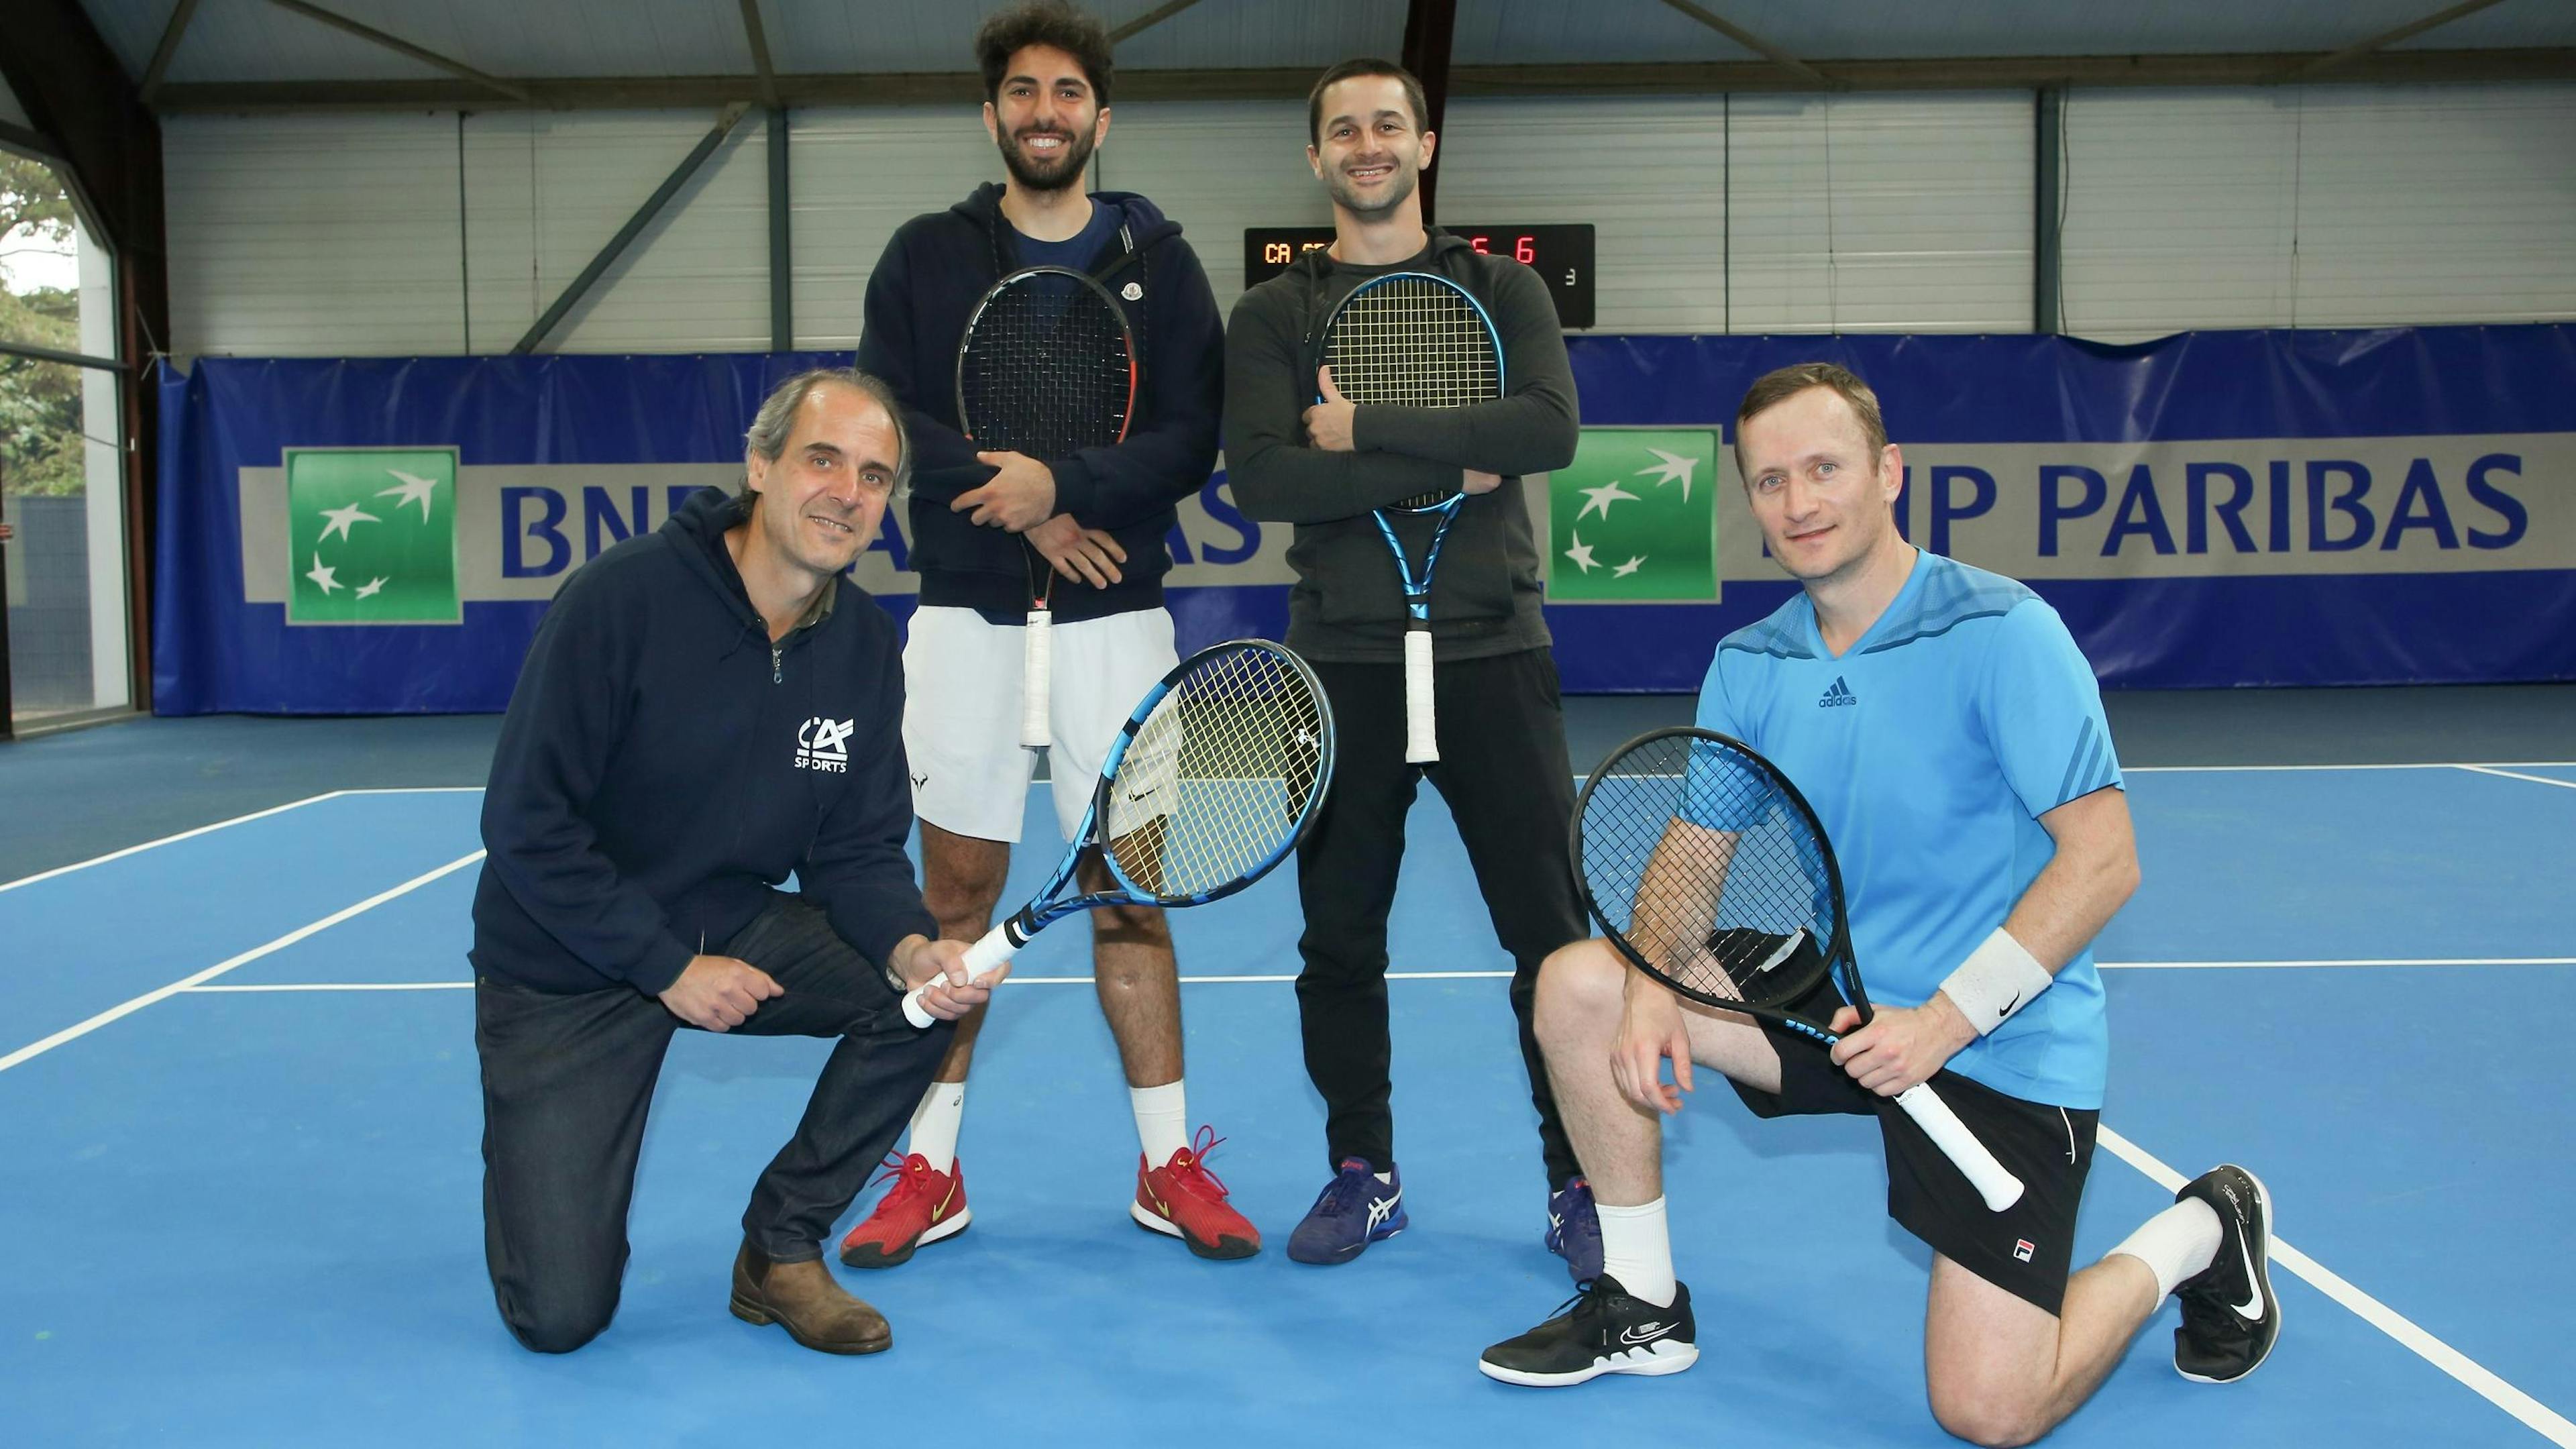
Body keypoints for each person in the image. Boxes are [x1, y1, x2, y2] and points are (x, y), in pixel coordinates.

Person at [1479, 364, 2279, 1445]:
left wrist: (1944, 1022)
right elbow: (1694, 845)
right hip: (1844, 1005)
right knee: (1583, 984)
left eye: (1824, 469)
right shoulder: (1753, 661)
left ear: (1889, 473)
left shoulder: (2003, 632)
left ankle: (2201, 1230)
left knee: (1990, 1409)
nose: (1799, 502)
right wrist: (1655, 989)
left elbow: (2104, 863)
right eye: (1770, 481)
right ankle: (1644, 1304)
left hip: (1996, 1046)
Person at [470, 368, 996, 1356]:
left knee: (925, 998)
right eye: (823, 460)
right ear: (761, 467)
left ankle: (781, 1248)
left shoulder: (865, 648)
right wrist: (663, 967)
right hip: (566, 966)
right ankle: (539, 1159)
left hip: (726, 923)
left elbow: (854, 849)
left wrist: (910, 948)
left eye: (875, 476)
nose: (848, 492)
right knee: (560, 1317)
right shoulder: (620, 601)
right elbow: (527, 823)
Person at [843, 0, 1252, 1267]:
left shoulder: (1164, 263)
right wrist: (1028, 515)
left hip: (1117, 622)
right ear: (992, 115)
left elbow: (1193, 436)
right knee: (953, 892)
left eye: (1067, 94)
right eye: (1022, 92)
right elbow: (895, 419)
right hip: (965, 616)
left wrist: (1064, 488)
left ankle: (1169, 1163)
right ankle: (930, 1168)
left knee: (1130, 890)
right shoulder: (924, 255)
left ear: (1100, 118)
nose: (1044, 113)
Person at [1223, 58, 1599, 1274]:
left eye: (1389, 124)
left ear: (1424, 145)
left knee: (1551, 940)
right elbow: (1272, 479)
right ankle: (1362, 1171)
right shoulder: (1275, 316)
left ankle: (1579, 1180)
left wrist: (1367, 428)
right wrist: (1453, 457)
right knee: (1340, 941)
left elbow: (1544, 430)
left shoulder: (1505, 288)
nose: (1367, 144)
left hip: (1498, 652)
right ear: (1317, 157)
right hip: (1342, 663)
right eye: (1344, 129)